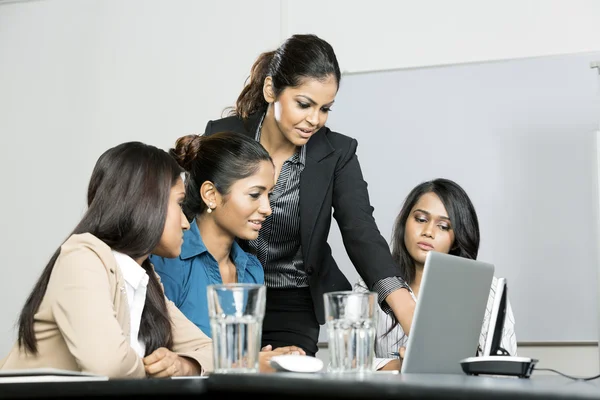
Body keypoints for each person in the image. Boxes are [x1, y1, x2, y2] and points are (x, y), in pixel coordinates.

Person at [202, 33, 415, 357]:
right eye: (304, 104)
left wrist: (404, 307)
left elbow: (360, 231)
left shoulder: (337, 153)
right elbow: (193, 215)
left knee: (288, 380)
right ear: (271, 89)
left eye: (325, 108)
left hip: (293, 299)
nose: (314, 120)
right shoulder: (223, 135)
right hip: (226, 291)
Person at [0, 142, 213, 378]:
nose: (185, 222)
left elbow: (212, 351)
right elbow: (109, 366)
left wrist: (185, 365)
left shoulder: (144, 280)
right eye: (179, 204)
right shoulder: (82, 259)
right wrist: (154, 372)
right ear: (147, 202)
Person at [150, 131, 305, 371]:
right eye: (255, 194)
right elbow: (160, 358)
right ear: (211, 195)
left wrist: (266, 359)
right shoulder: (169, 262)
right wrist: (251, 363)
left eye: (269, 195)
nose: (267, 209)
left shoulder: (253, 270)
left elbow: (239, 364)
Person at [354, 178, 517, 371]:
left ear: (456, 239)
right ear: (405, 221)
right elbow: (347, 364)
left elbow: (506, 371)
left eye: (443, 226)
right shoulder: (369, 286)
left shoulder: (488, 290)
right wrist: (402, 366)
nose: (428, 232)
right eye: (421, 219)